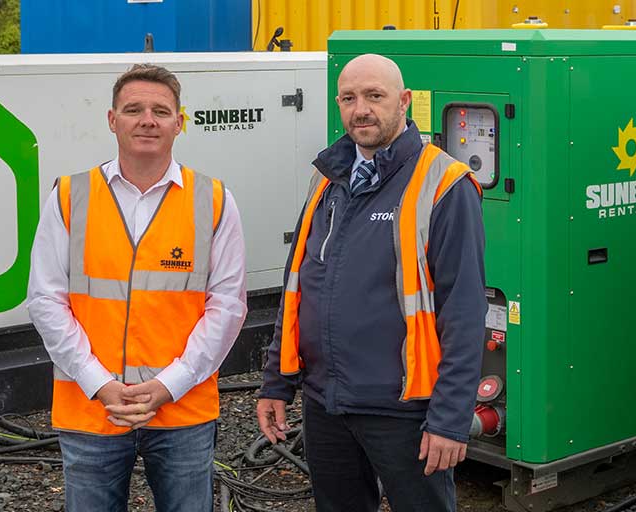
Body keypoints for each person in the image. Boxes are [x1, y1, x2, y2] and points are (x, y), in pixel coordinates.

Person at [255, 53, 487, 512]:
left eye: (374, 96)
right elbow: (298, 287)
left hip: (404, 409)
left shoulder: (444, 184)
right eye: (349, 98)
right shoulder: (326, 180)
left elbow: (463, 312)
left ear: (403, 102)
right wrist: (276, 383)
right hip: (327, 402)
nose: (360, 108)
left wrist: (450, 418)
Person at [26, 63, 247, 512]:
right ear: (112, 120)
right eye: (134, 109)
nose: (148, 119)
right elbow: (46, 300)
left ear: (179, 123)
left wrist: (169, 384)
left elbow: (227, 307)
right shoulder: (69, 196)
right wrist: (100, 383)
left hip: (181, 409)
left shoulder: (215, 200)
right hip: (93, 408)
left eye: (161, 111)